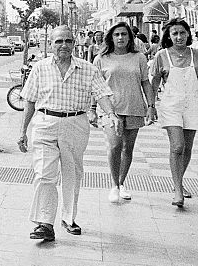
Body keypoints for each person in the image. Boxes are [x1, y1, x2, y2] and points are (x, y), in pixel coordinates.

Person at [18, 25, 118, 241]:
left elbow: (101, 94)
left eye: (68, 41)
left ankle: (68, 218)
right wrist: (22, 131)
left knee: (72, 173)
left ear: (74, 43)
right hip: (46, 122)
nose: (63, 45)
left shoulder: (88, 69)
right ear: (51, 44)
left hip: (75, 124)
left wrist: (111, 114)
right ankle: (44, 223)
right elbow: (30, 101)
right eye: (58, 41)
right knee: (44, 173)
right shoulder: (40, 68)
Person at [93, 22, 156, 202]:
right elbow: (95, 87)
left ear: (130, 37)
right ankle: (114, 185)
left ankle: (121, 183)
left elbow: (145, 82)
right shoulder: (101, 59)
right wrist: (91, 109)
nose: (120, 38)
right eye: (116, 34)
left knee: (128, 148)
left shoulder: (139, 58)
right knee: (114, 146)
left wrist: (151, 106)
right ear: (111, 38)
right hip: (110, 109)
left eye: (124, 34)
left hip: (134, 106)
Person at [149, 18, 198, 208]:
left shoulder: (195, 54)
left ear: (188, 34)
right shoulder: (162, 55)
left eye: (182, 32)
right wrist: (151, 106)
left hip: (193, 104)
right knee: (177, 146)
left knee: (187, 148)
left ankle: (179, 181)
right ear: (169, 36)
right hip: (171, 105)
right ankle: (178, 191)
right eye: (174, 33)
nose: (179, 37)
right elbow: (154, 82)